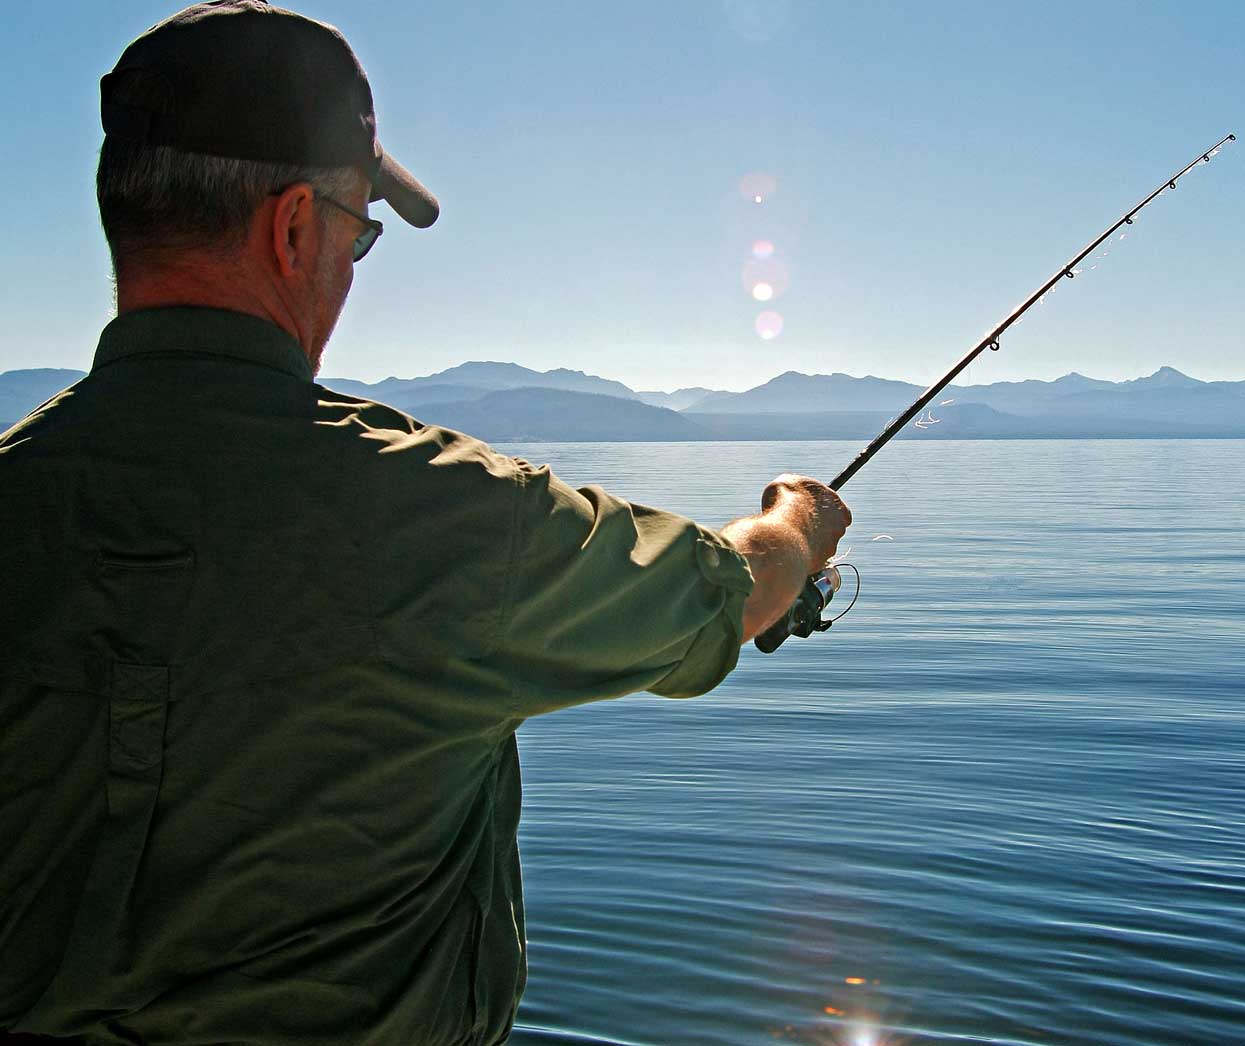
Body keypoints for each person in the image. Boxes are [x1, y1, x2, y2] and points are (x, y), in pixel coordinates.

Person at [0, 3, 850, 1043]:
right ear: (295, 228)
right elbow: (725, 589)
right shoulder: (449, 516)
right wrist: (800, 519)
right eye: (360, 233)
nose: (351, 268)